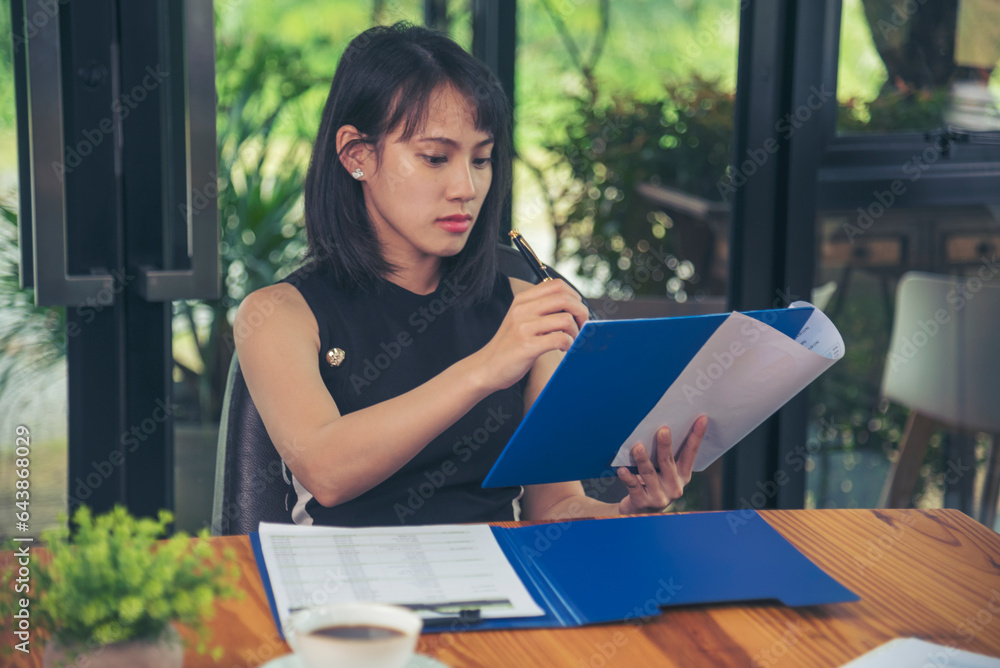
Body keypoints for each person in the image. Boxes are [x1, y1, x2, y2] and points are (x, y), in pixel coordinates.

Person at [234, 22, 707, 527]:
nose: (465, 186)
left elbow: (555, 507)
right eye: (435, 158)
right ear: (357, 155)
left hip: (496, 583)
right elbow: (327, 471)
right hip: (351, 594)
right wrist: (485, 368)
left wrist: (630, 511)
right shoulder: (278, 314)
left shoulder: (521, 309)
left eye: (481, 160)